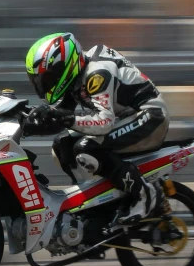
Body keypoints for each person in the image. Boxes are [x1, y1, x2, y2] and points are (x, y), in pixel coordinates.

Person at [23, 32, 169, 227]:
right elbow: (61, 116)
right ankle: (91, 200)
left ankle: (146, 194)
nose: (45, 84)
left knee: (86, 148)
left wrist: (65, 118)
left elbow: (104, 123)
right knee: (62, 144)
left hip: (150, 117)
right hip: (126, 118)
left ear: (65, 66)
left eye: (49, 77)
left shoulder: (97, 73)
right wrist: (26, 122)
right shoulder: (79, 72)